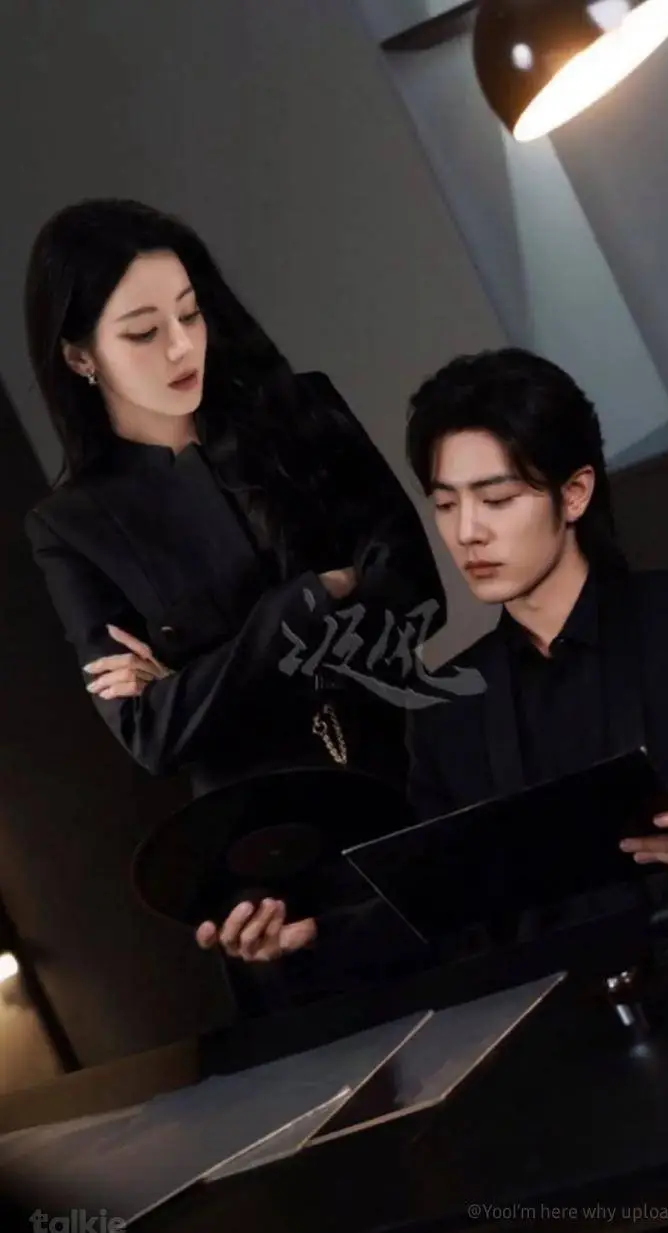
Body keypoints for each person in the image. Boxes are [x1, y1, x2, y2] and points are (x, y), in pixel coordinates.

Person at [23, 197, 447, 997]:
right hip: (264, 865)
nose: (182, 345)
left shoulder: (302, 412)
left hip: (410, 782)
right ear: (80, 356)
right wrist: (308, 599)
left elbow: (415, 600)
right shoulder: (71, 525)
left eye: (189, 313)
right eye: (142, 332)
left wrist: (197, 672)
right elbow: (152, 732)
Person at [404, 347, 668, 886]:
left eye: (497, 499)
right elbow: (445, 898)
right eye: (445, 505)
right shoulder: (446, 707)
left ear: (575, 494)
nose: (466, 533)